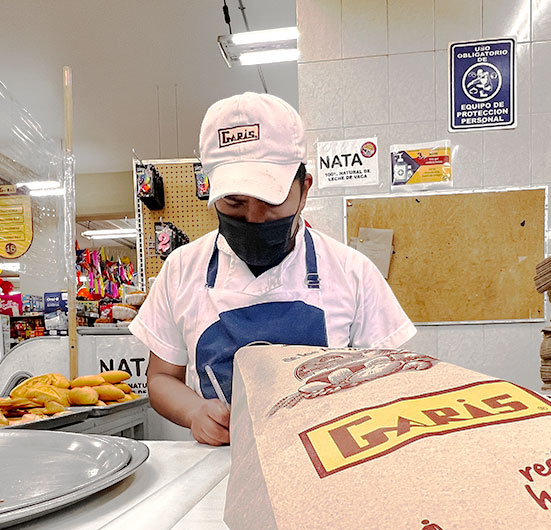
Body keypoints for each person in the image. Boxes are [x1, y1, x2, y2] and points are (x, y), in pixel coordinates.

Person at [130, 92, 416, 446]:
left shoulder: (352, 272)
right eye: (234, 202)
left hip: (326, 462)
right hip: (223, 468)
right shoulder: (181, 269)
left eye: (270, 201)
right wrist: (194, 412)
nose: (253, 217)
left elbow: (391, 378)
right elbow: (160, 378)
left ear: (304, 189)